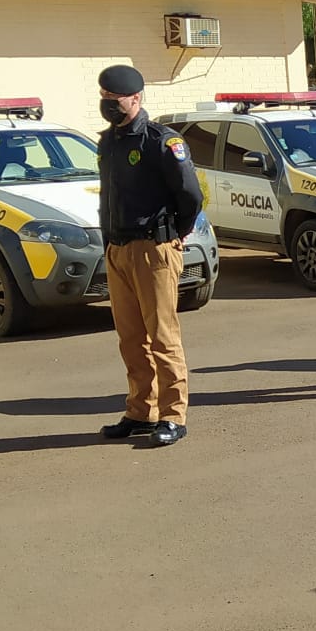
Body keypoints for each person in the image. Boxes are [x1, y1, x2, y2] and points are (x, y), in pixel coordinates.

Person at [95, 64, 203, 447]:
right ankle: (141, 410)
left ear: (136, 99)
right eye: (104, 97)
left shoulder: (161, 141)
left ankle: (173, 415)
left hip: (152, 249)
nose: (108, 104)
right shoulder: (108, 142)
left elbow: (190, 194)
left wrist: (178, 232)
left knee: (162, 336)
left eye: (115, 98)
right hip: (118, 249)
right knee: (130, 338)